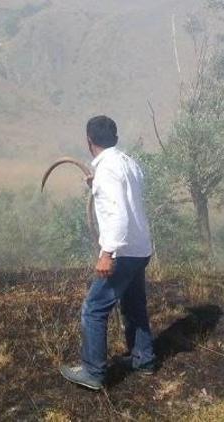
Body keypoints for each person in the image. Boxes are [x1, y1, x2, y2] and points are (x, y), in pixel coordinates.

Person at [60, 115, 156, 390]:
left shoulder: (107, 169)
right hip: (140, 249)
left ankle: (93, 372)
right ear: (115, 138)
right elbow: (126, 196)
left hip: (122, 252)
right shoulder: (128, 163)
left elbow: (118, 215)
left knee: (93, 309)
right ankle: (143, 359)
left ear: (89, 140)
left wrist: (107, 253)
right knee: (134, 306)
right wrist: (98, 187)